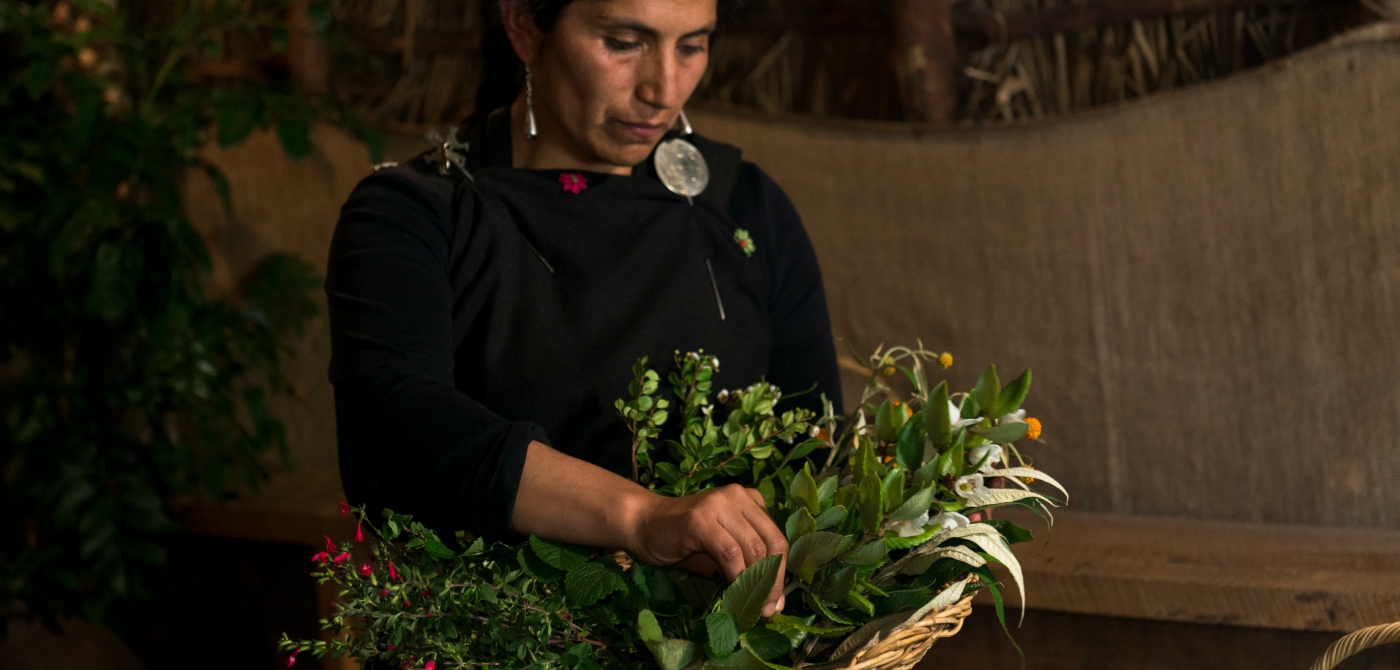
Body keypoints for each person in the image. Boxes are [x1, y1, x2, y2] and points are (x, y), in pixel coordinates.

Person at [326, 0, 841, 620]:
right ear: (523, 26)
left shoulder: (747, 209)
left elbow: (811, 438)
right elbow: (395, 431)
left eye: (692, 45)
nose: (663, 90)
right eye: (624, 43)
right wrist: (642, 517)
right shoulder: (417, 215)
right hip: (504, 639)